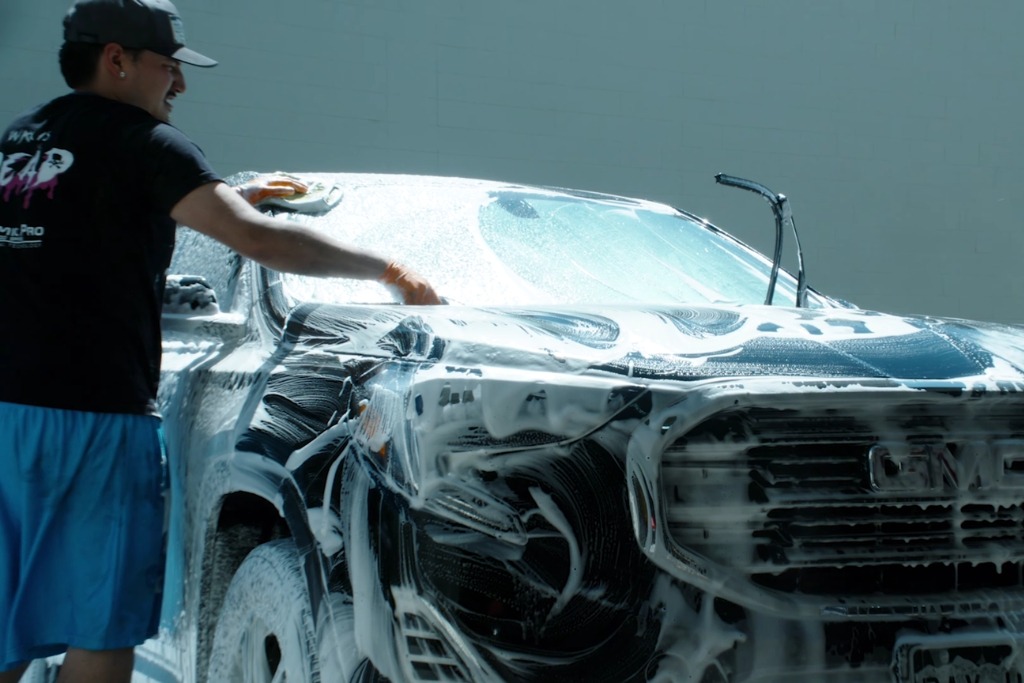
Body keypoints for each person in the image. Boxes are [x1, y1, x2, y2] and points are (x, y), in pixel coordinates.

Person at [0, 0, 441, 680]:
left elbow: (79, 229)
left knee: (8, 621)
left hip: (7, 419)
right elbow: (258, 239)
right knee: (100, 624)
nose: (180, 85)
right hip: (89, 423)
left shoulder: (21, 141)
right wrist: (389, 269)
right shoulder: (146, 144)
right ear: (117, 60)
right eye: (169, 67)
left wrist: (206, 192)